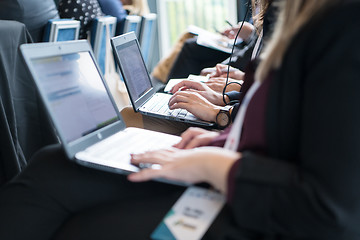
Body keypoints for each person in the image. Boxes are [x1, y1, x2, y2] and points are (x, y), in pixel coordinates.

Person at [2, 1, 360, 240]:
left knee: (81, 223)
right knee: (54, 162)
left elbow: (331, 209)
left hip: (262, 210)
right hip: (239, 177)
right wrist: (217, 142)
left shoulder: (341, 23)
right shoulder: (303, 18)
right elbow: (292, 132)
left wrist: (211, 161)